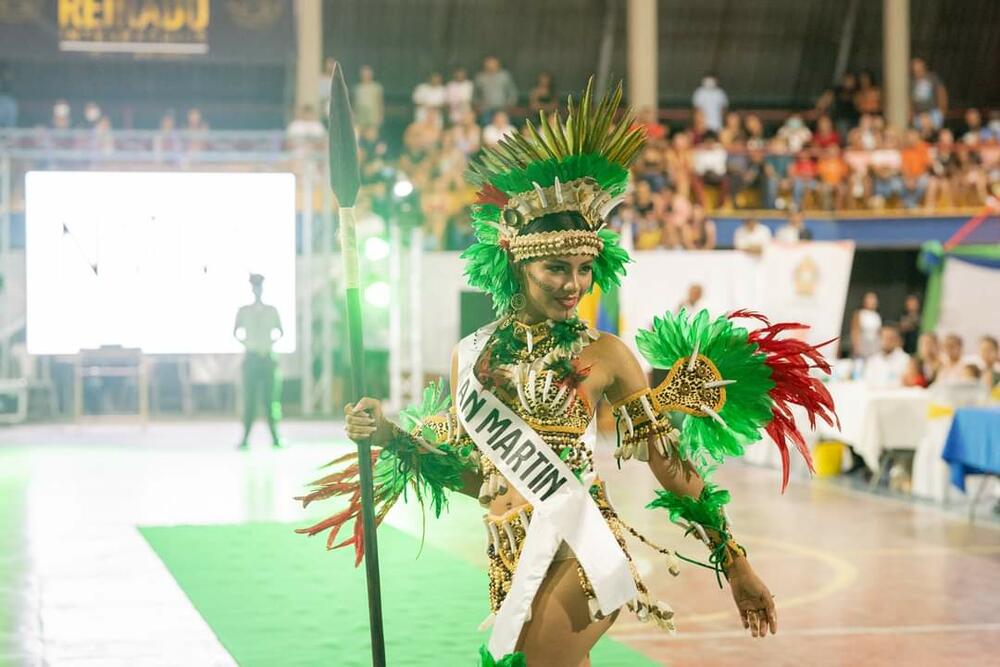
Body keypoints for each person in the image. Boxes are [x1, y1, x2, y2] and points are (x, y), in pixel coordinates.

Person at [299, 81, 838, 665]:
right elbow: (470, 475)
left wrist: (736, 563)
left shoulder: (607, 355)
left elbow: (669, 466)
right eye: (557, 267)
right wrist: (387, 436)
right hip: (510, 558)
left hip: (580, 547)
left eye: (584, 269)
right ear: (518, 260)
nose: (573, 285)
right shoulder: (473, 356)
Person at [234, 274, 284, 449]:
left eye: (259, 287)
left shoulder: (271, 310)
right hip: (252, 358)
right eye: (255, 287)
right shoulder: (243, 311)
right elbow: (236, 332)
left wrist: (268, 344)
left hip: (267, 358)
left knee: (271, 401)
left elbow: (280, 331)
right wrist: (249, 344)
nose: (257, 290)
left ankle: (275, 437)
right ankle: (245, 438)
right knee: (249, 401)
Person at [475, 56, 518, 125]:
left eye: (493, 64)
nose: (491, 66)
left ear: (498, 64)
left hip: (502, 108)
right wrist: (478, 106)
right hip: (486, 109)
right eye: (489, 64)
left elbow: (512, 92)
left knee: (504, 128)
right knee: (487, 128)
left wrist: (510, 105)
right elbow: (475, 94)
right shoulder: (480, 77)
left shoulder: (505, 76)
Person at [910, 58, 947, 129]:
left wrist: (942, 112)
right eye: (914, 68)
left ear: (923, 66)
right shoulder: (912, 82)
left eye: (918, 67)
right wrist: (912, 115)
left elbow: (941, 93)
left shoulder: (932, 78)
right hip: (919, 114)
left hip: (934, 112)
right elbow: (910, 99)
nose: (917, 70)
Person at [850, 291, 882, 360]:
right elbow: (855, 331)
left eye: (873, 299)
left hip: (874, 345)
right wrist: (856, 347)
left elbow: (879, 332)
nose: (871, 301)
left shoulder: (877, 315)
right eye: (869, 299)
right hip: (862, 345)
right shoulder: (859, 313)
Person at [353, 65, 384, 130]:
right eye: (364, 74)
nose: (366, 76)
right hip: (360, 119)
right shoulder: (357, 88)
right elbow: (354, 104)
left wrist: (380, 117)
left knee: (372, 138)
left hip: (373, 119)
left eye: (368, 74)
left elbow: (380, 103)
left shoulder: (376, 87)